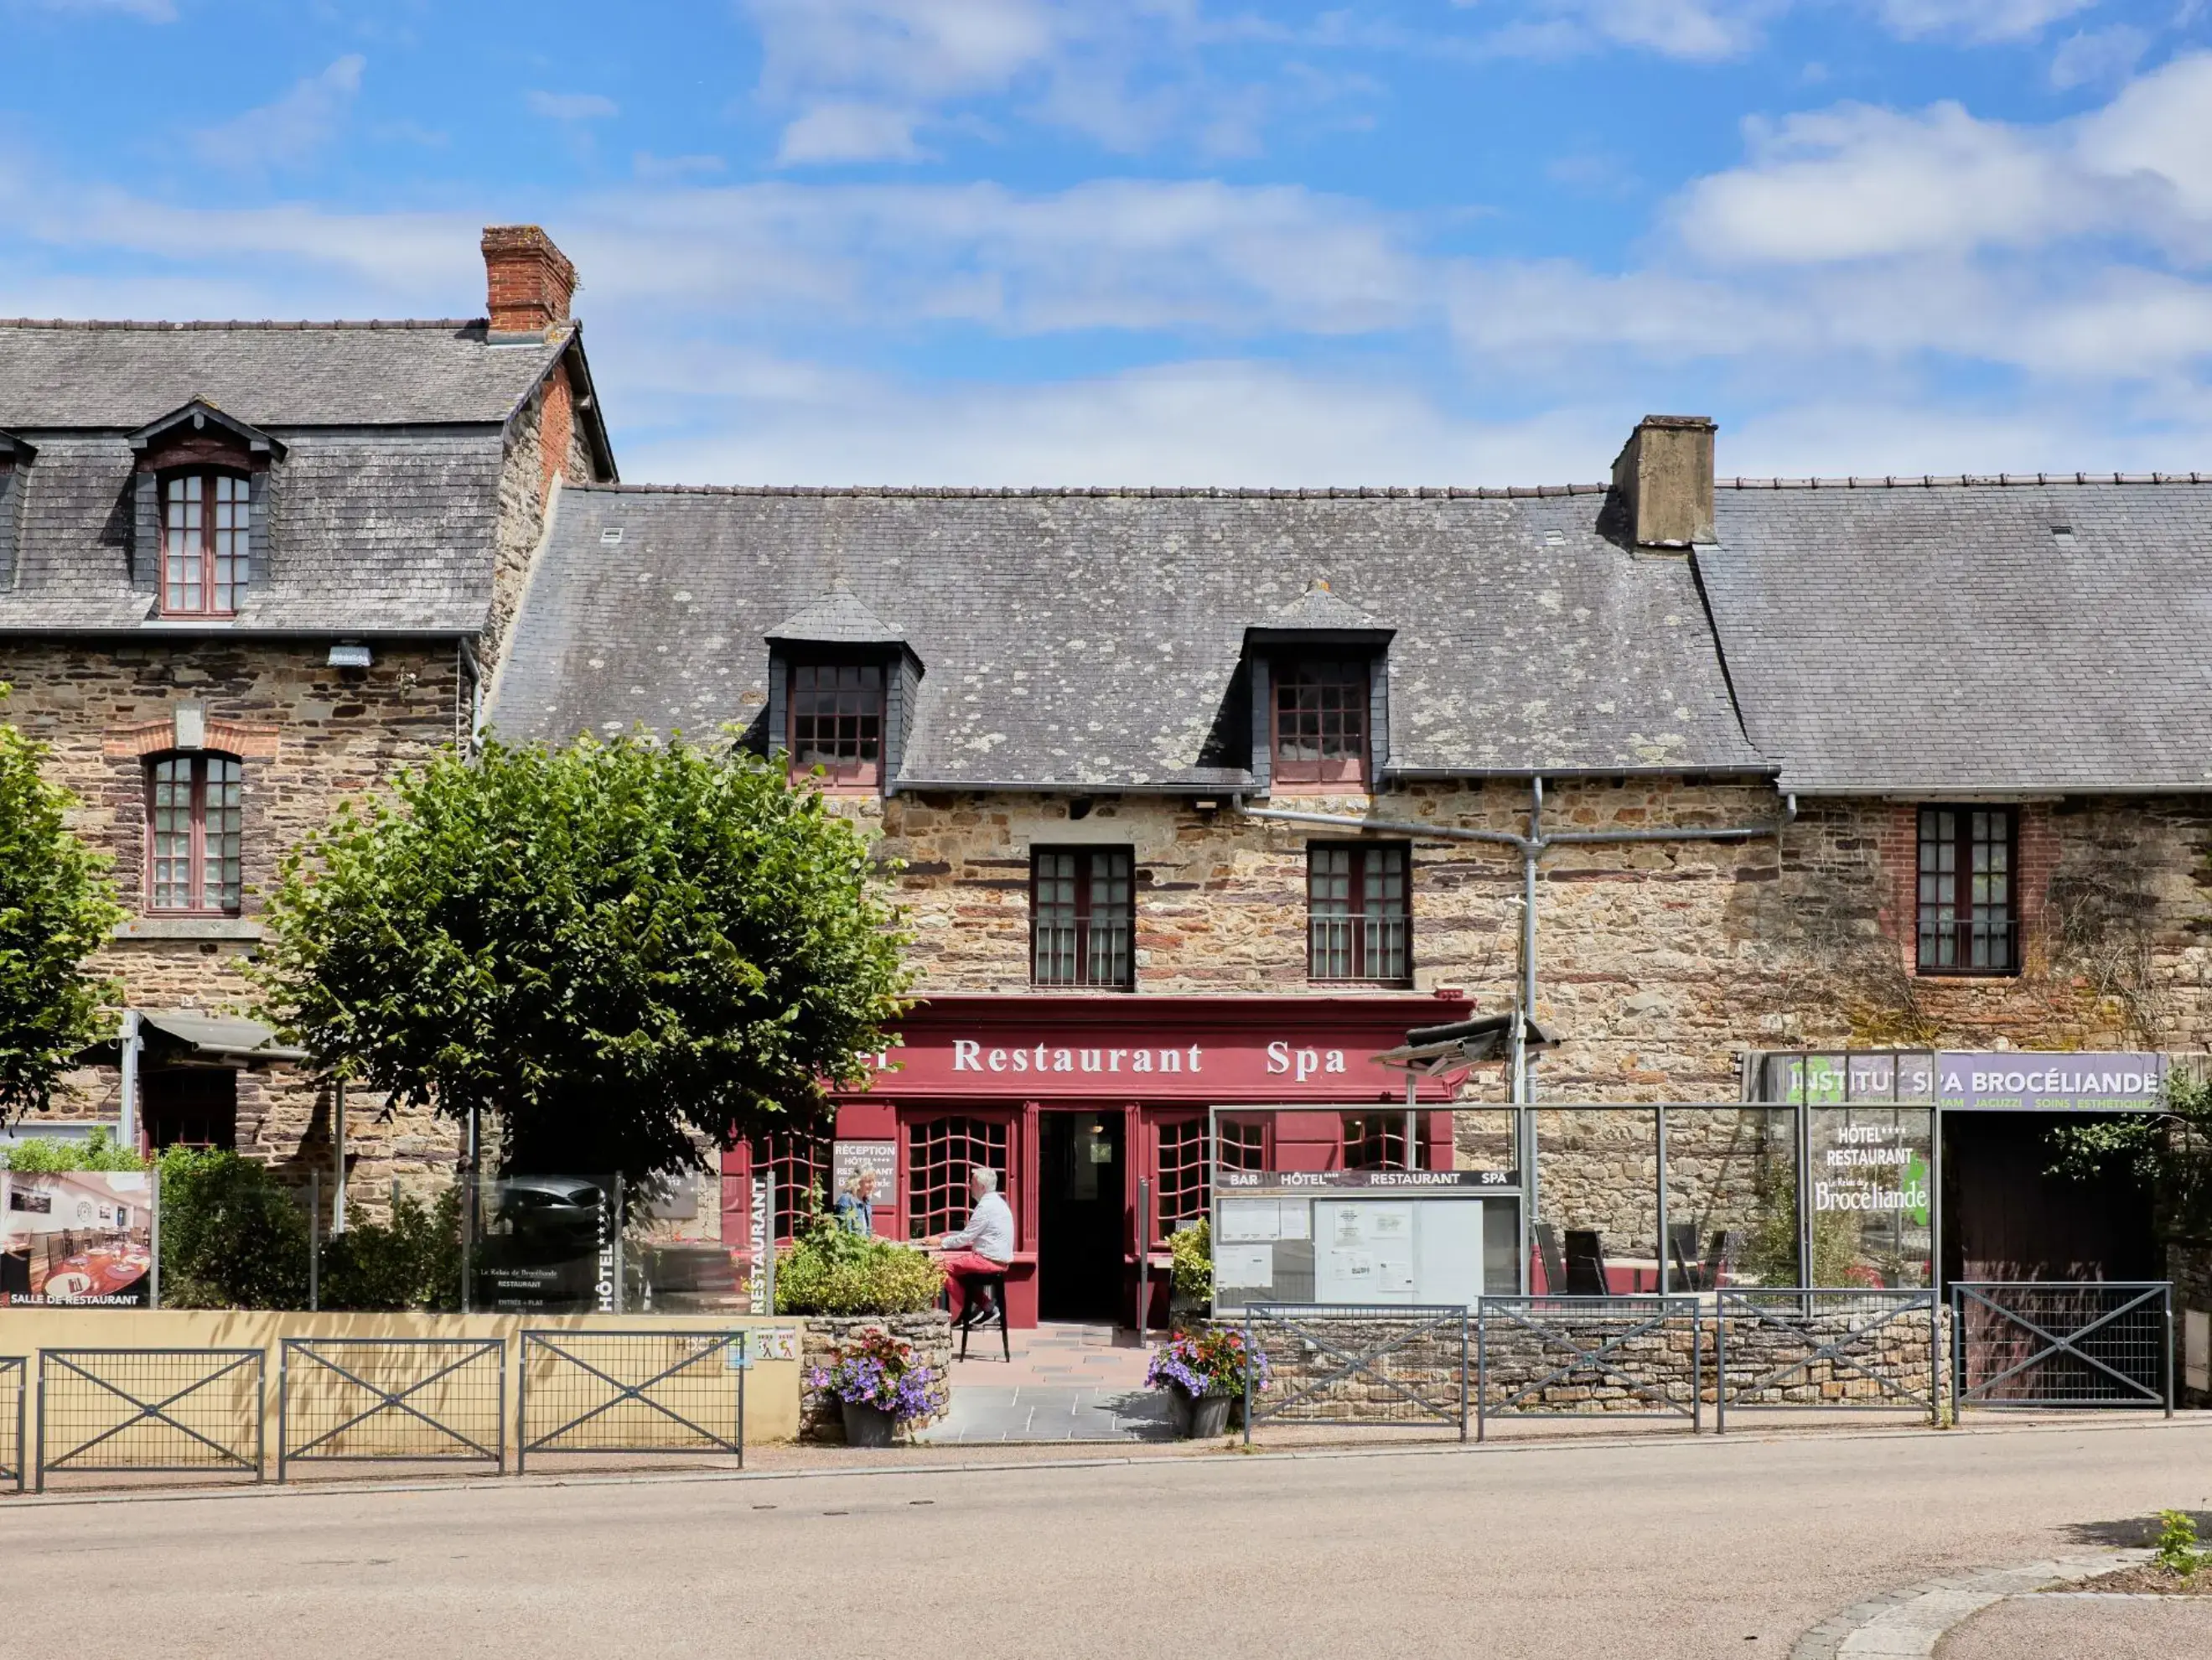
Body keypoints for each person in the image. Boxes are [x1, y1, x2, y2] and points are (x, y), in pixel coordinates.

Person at [931, 1165, 1014, 1327]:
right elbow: (968, 1235)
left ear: (982, 1187)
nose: (969, 1187)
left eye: (972, 1183)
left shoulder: (985, 1207)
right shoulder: (999, 1203)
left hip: (987, 1260)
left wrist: (940, 1242)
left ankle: (972, 1308)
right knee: (959, 1274)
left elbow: (965, 1238)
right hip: (999, 1261)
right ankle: (988, 1307)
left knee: (937, 1267)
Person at [832, 1168, 878, 1237]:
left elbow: (867, 1233)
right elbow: (846, 1234)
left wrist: (872, 1239)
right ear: (857, 1182)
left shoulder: (867, 1202)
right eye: (868, 1181)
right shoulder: (846, 1200)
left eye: (873, 1181)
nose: (872, 1185)